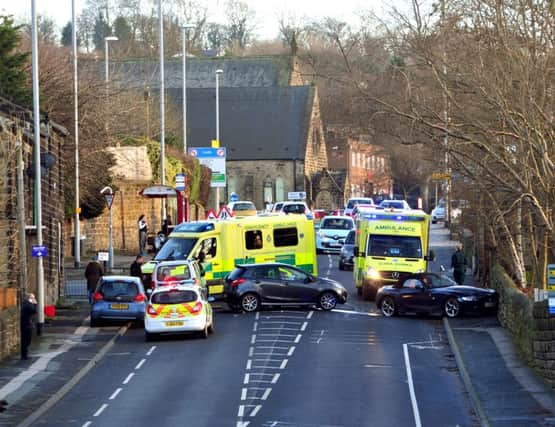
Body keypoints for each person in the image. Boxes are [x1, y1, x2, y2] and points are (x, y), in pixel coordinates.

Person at [20, 293, 37, 360]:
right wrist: (35, 304)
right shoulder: (28, 304)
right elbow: (34, 311)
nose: (34, 299)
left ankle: (24, 355)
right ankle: (24, 355)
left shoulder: (25, 303)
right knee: (27, 340)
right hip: (26, 324)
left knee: (25, 340)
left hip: (25, 323)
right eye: (33, 298)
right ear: (29, 298)